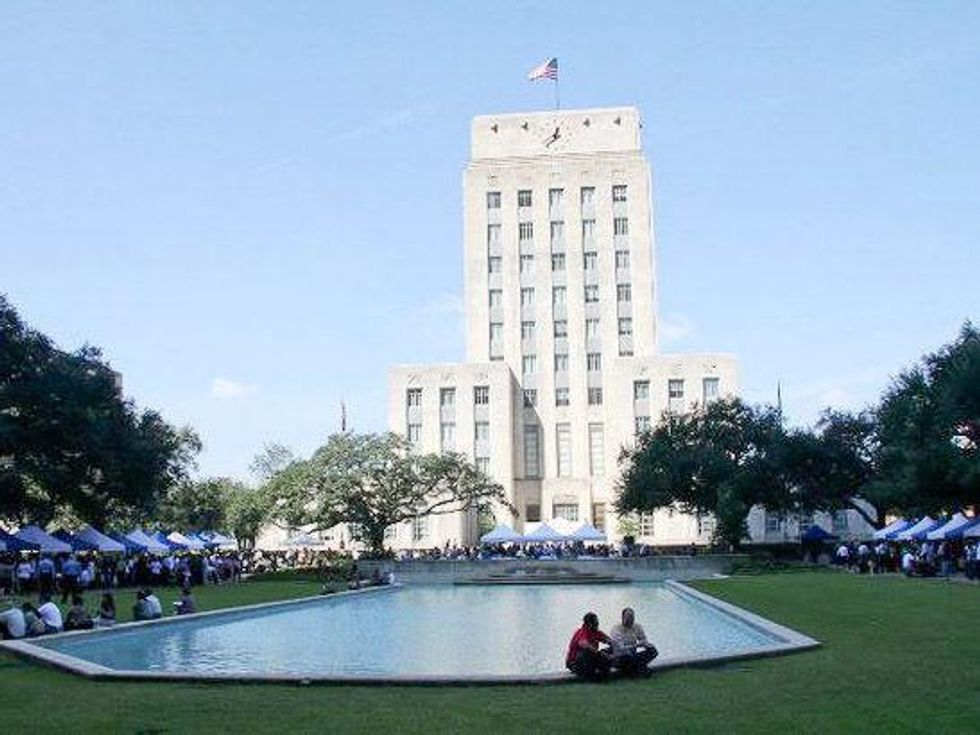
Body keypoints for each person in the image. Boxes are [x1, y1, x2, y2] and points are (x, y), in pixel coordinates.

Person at [610, 607, 658, 677]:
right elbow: (621, 648)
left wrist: (647, 645)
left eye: (632, 616)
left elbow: (644, 639)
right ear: (623, 617)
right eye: (628, 616)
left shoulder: (637, 626)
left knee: (653, 650)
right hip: (621, 656)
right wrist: (637, 645)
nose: (631, 619)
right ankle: (641, 669)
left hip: (633, 655)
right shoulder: (616, 629)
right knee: (628, 657)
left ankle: (638, 668)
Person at [566, 612, 614, 682]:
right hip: (574, 663)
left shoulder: (596, 632)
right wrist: (599, 653)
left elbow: (608, 640)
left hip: (589, 660)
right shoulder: (582, 632)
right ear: (589, 624)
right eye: (596, 622)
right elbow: (583, 644)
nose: (597, 624)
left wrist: (611, 645)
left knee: (607, 653)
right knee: (587, 652)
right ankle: (592, 676)